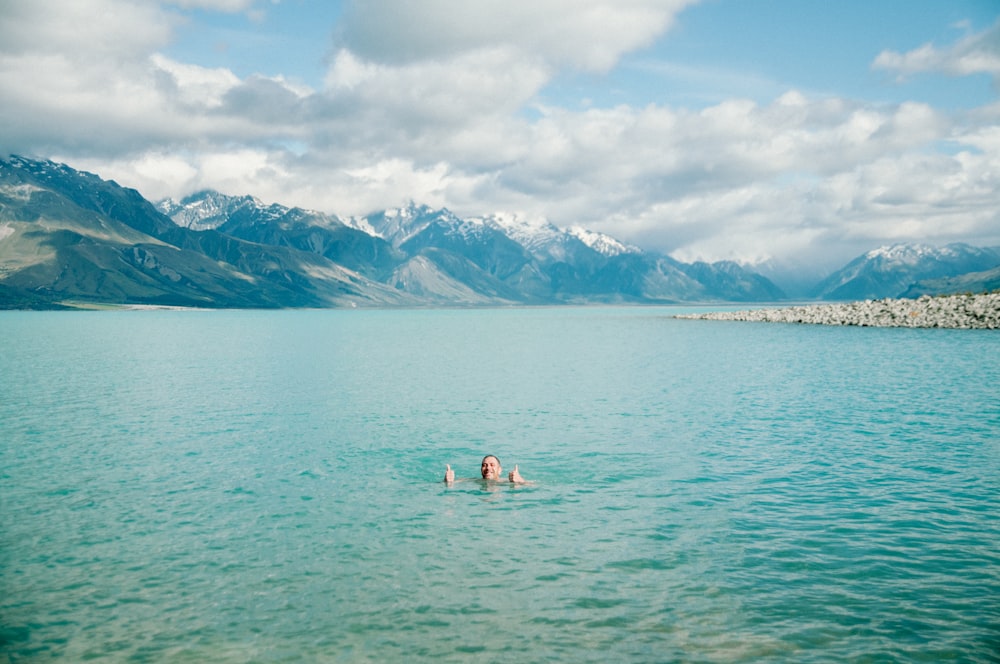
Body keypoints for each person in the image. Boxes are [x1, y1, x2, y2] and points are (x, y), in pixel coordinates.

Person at [444, 455, 526, 484]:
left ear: (500, 470)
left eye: (492, 465)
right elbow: (451, 483)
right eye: (484, 465)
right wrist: (448, 481)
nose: (488, 468)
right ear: (481, 470)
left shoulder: (506, 482)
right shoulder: (474, 481)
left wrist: (520, 481)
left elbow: (534, 485)